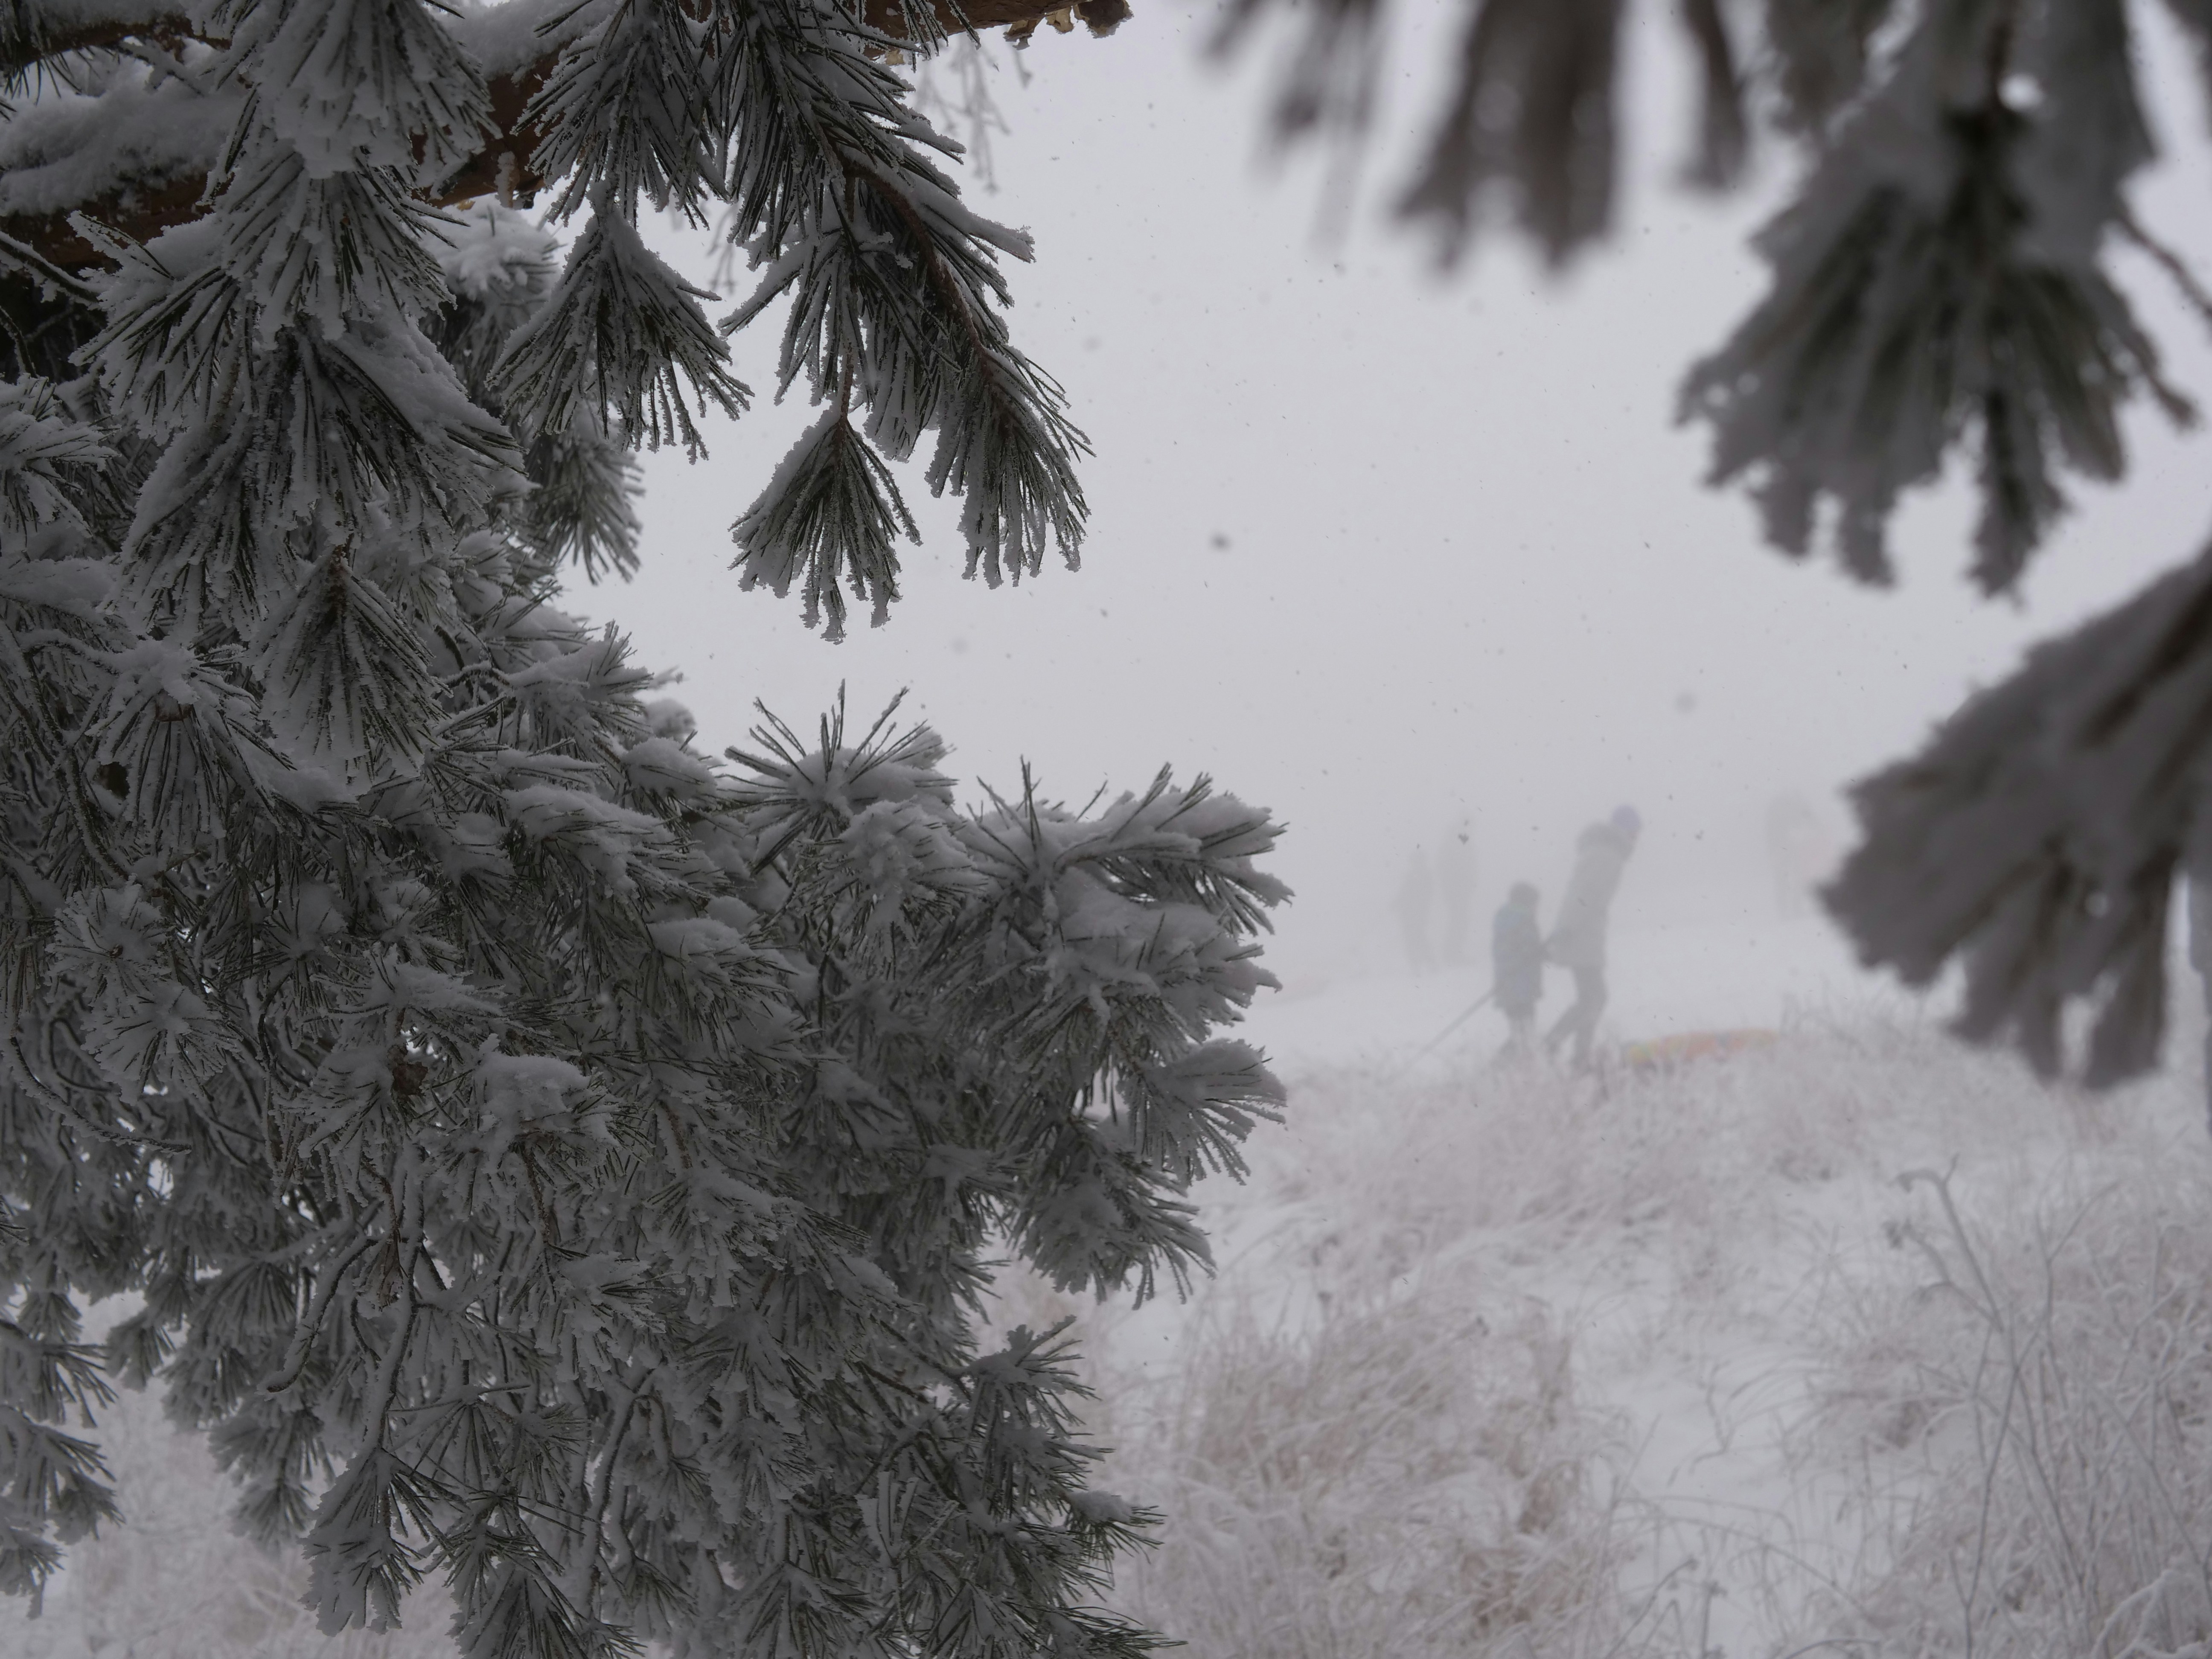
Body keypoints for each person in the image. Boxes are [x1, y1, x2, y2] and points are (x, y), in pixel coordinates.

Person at [1545, 805, 1642, 1070]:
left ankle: (1579, 1057)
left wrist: (1566, 927)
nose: (1637, 838)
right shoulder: (1606, 855)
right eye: (1634, 831)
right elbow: (1583, 895)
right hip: (1581, 935)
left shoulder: (1604, 852)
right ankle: (1555, 1047)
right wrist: (1567, 929)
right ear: (1624, 830)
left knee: (1592, 998)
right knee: (1594, 998)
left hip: (1584, 934)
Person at [1492, 882, 1545, 1056]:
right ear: (1528, 902)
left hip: (1506, 983)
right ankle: (1516, 1059)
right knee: (1527, 1028)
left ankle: (1515, 1058)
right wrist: (1544, 952)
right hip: (1524, 984)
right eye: (1535, 904)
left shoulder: (1503, 918)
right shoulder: (1525, 920)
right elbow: (1530, 950)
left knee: (1516, 1026)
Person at [1395, 846, 1435, 972]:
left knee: (1416, 938)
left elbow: (1418, 895)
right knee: (1414, 938)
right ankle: (1419, 964)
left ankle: (1425, 963)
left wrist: (1402, 902)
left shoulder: (1422, 876)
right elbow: (1405, 893)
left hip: (1416, 913)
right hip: (1410, 913)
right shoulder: (1415, 876)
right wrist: (1397, 902)